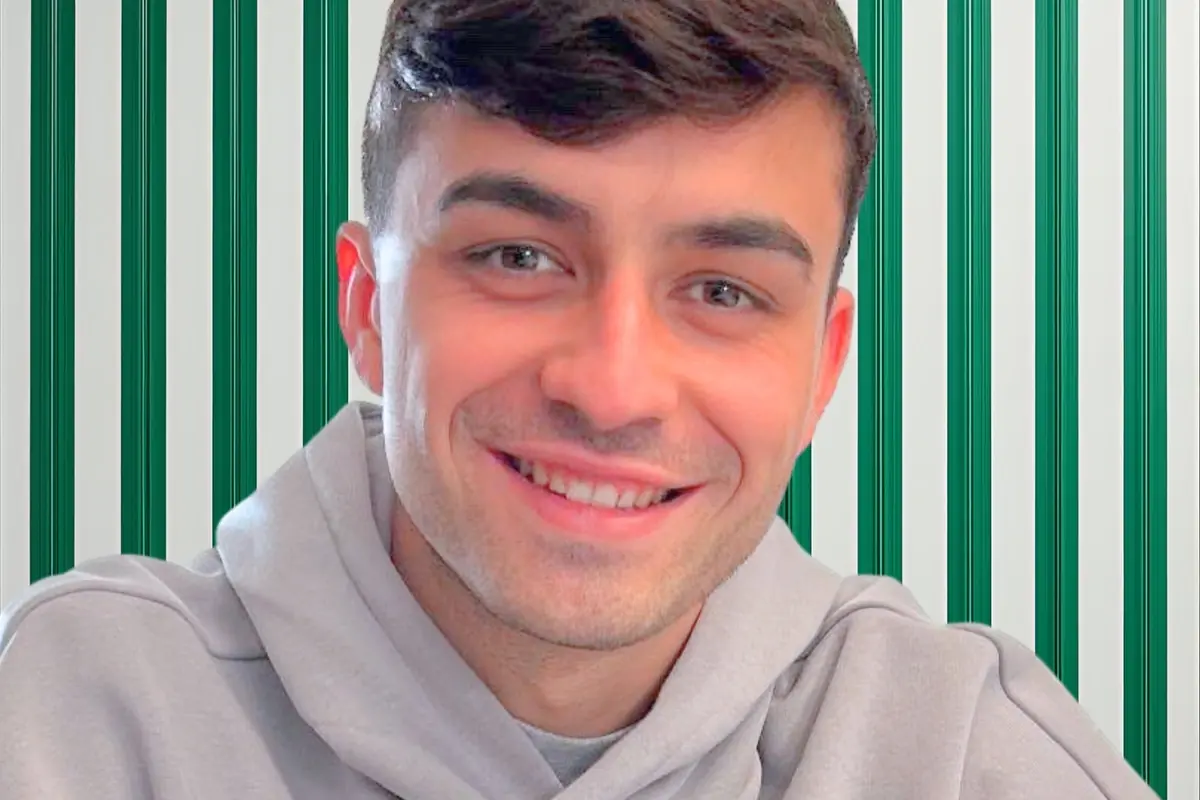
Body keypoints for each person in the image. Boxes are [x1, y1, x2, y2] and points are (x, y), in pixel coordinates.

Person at [0, 2, 1158, 798]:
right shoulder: (75, 720)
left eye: (721, 288)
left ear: (821, 369)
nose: (611, 388)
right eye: (517, 257)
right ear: (367, 307)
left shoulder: (973, 757)